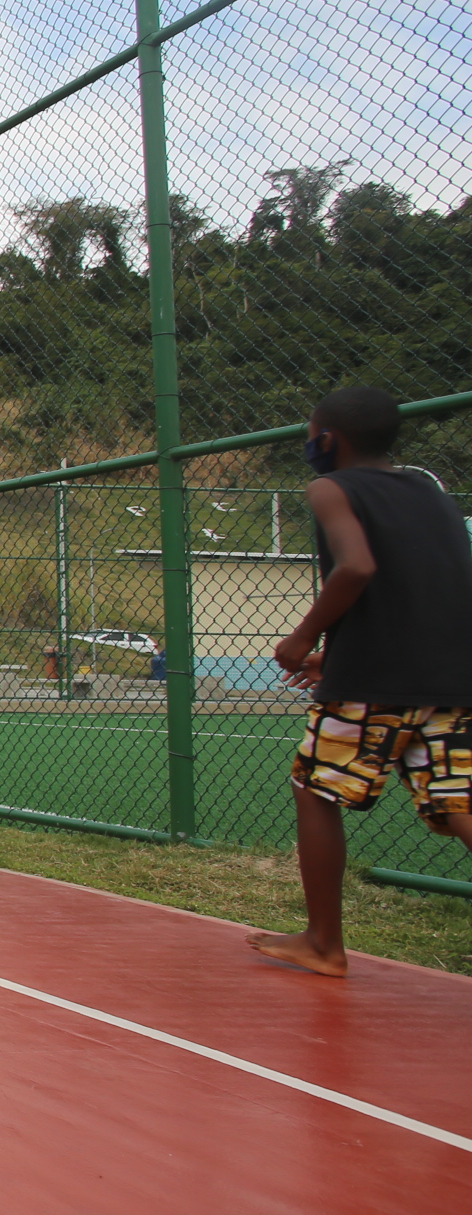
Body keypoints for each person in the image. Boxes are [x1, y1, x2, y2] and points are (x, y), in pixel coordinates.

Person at [254, 386, 472, 978]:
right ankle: (320, 941)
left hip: (375, 680)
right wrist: (339, 651)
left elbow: (357, 567)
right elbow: (425, 583)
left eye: (310, 435)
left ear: (327, 440)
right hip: (452, 677)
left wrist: (302, 641)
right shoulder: (431, 493)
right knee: (457, 800)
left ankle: (324, 942)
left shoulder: (330, 487)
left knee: (316, 789)